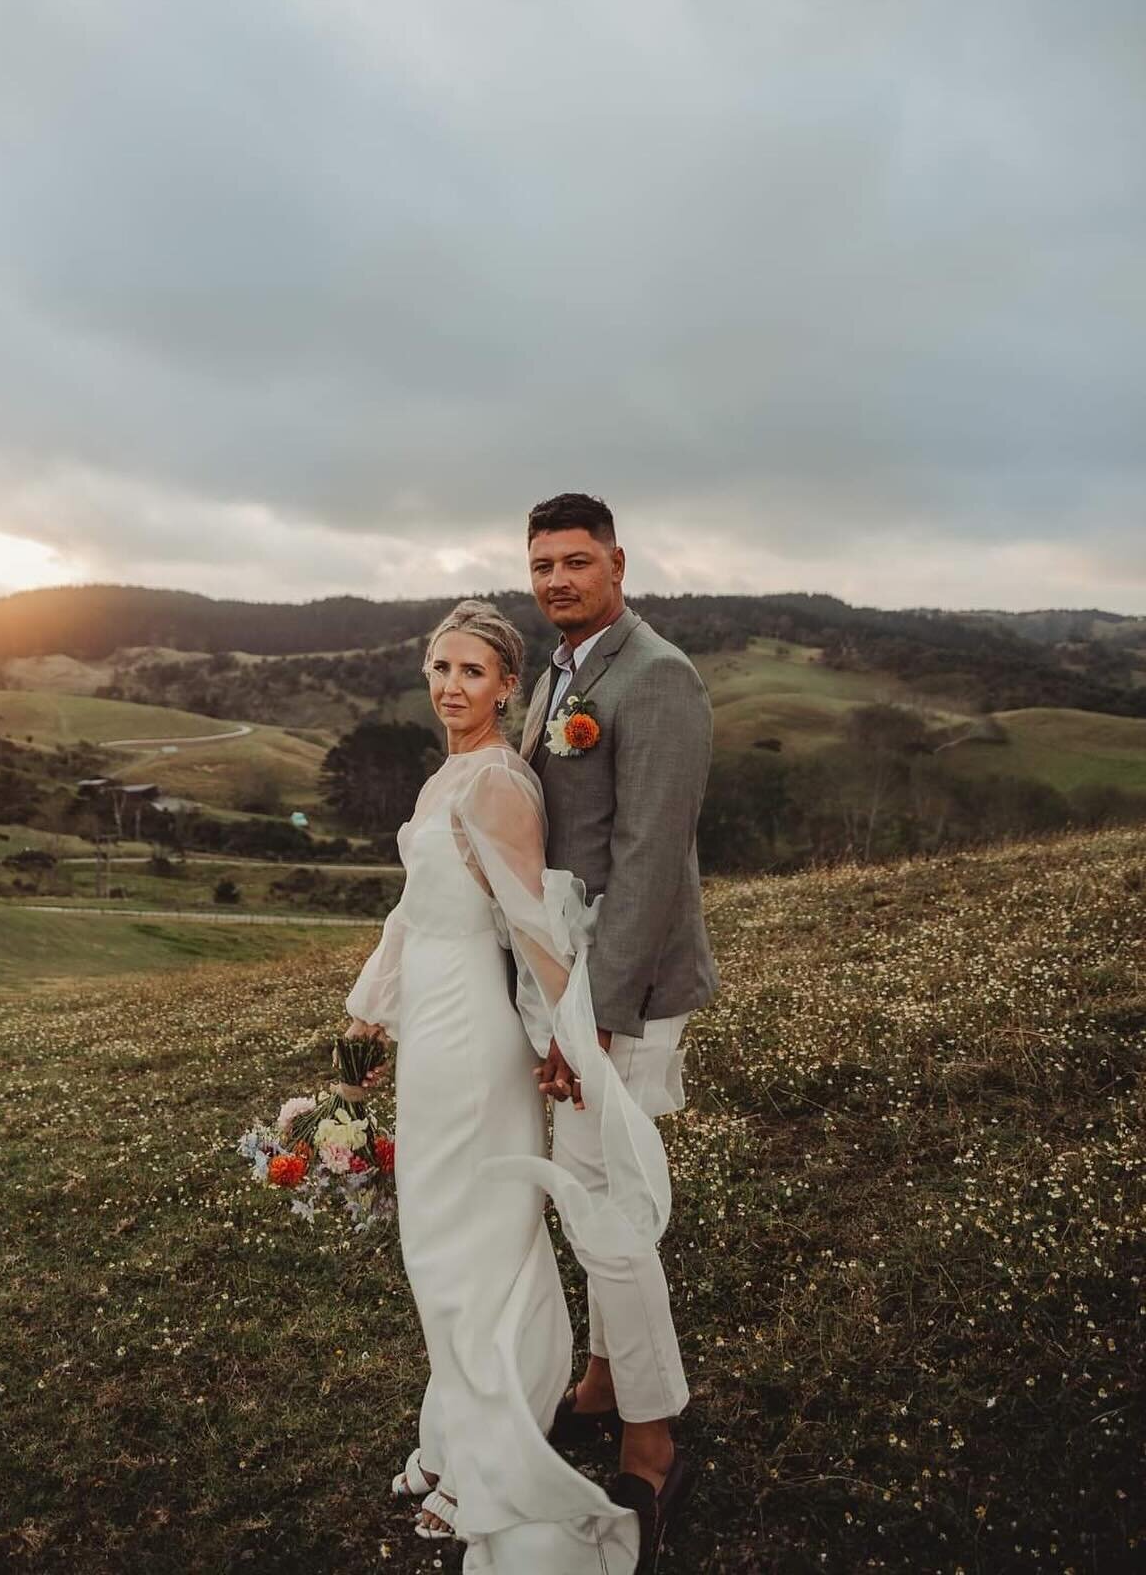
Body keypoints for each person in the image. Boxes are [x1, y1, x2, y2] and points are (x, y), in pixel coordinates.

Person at [345, 598, 683, 1574]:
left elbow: (535, 929)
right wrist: (368, 1009)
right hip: (427, 1037)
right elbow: (412, 914)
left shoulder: (500, 784)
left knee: (482, 1241)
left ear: (505, 686)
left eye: (472, 672)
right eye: (440, 668)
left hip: (475, 1039)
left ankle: (499, 1450)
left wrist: (563, 1036)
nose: (452, 686)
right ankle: (457, 1431)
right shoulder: (442, 778)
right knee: (435, 1240)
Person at [518, 492, 719, 1560]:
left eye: (577, 561)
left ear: (619, 564)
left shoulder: (660, 678)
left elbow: (647, 863)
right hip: (570, 984)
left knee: (613, 1212)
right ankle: (602, 1377)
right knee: (586, 1186)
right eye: (543, 562)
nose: (557, 580)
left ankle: (653, 1438)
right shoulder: (559, 675)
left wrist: (587, 1020)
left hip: (624, 994)